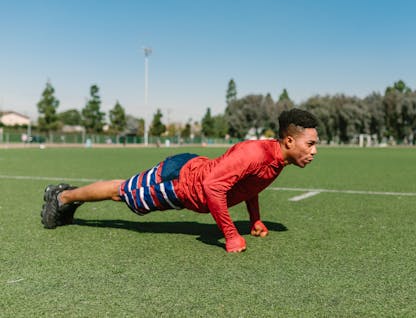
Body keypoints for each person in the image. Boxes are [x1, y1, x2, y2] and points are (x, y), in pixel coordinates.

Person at [41, 108, 319, 253]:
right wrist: (231, 235)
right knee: (122, 192)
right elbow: (212, 187)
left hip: (187, 175)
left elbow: (250, 186)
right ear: (290, 140)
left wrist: (255, 220)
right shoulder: (254, 152)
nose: (314, 151)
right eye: (310, 144)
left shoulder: (277, 160)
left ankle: (67, 197)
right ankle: (62, 197)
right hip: (178, 180)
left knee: (124, 192)